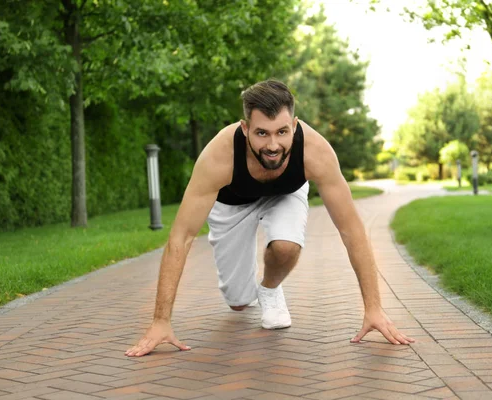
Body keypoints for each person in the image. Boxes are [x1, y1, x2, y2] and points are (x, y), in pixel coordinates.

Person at [125, 79, 414, 357]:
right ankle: (246, 295)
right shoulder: (219, 156)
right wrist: (161, 320)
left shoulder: (315, 151)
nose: (273, 145)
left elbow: (352, 230)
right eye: (262, 133)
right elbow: (182, 236)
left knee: (287, 246)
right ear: (245, 128)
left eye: (282, 132)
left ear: (295, 126)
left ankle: (271, 289)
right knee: (238, 303)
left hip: (285, 195)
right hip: (231, 207)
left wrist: (373, 308)